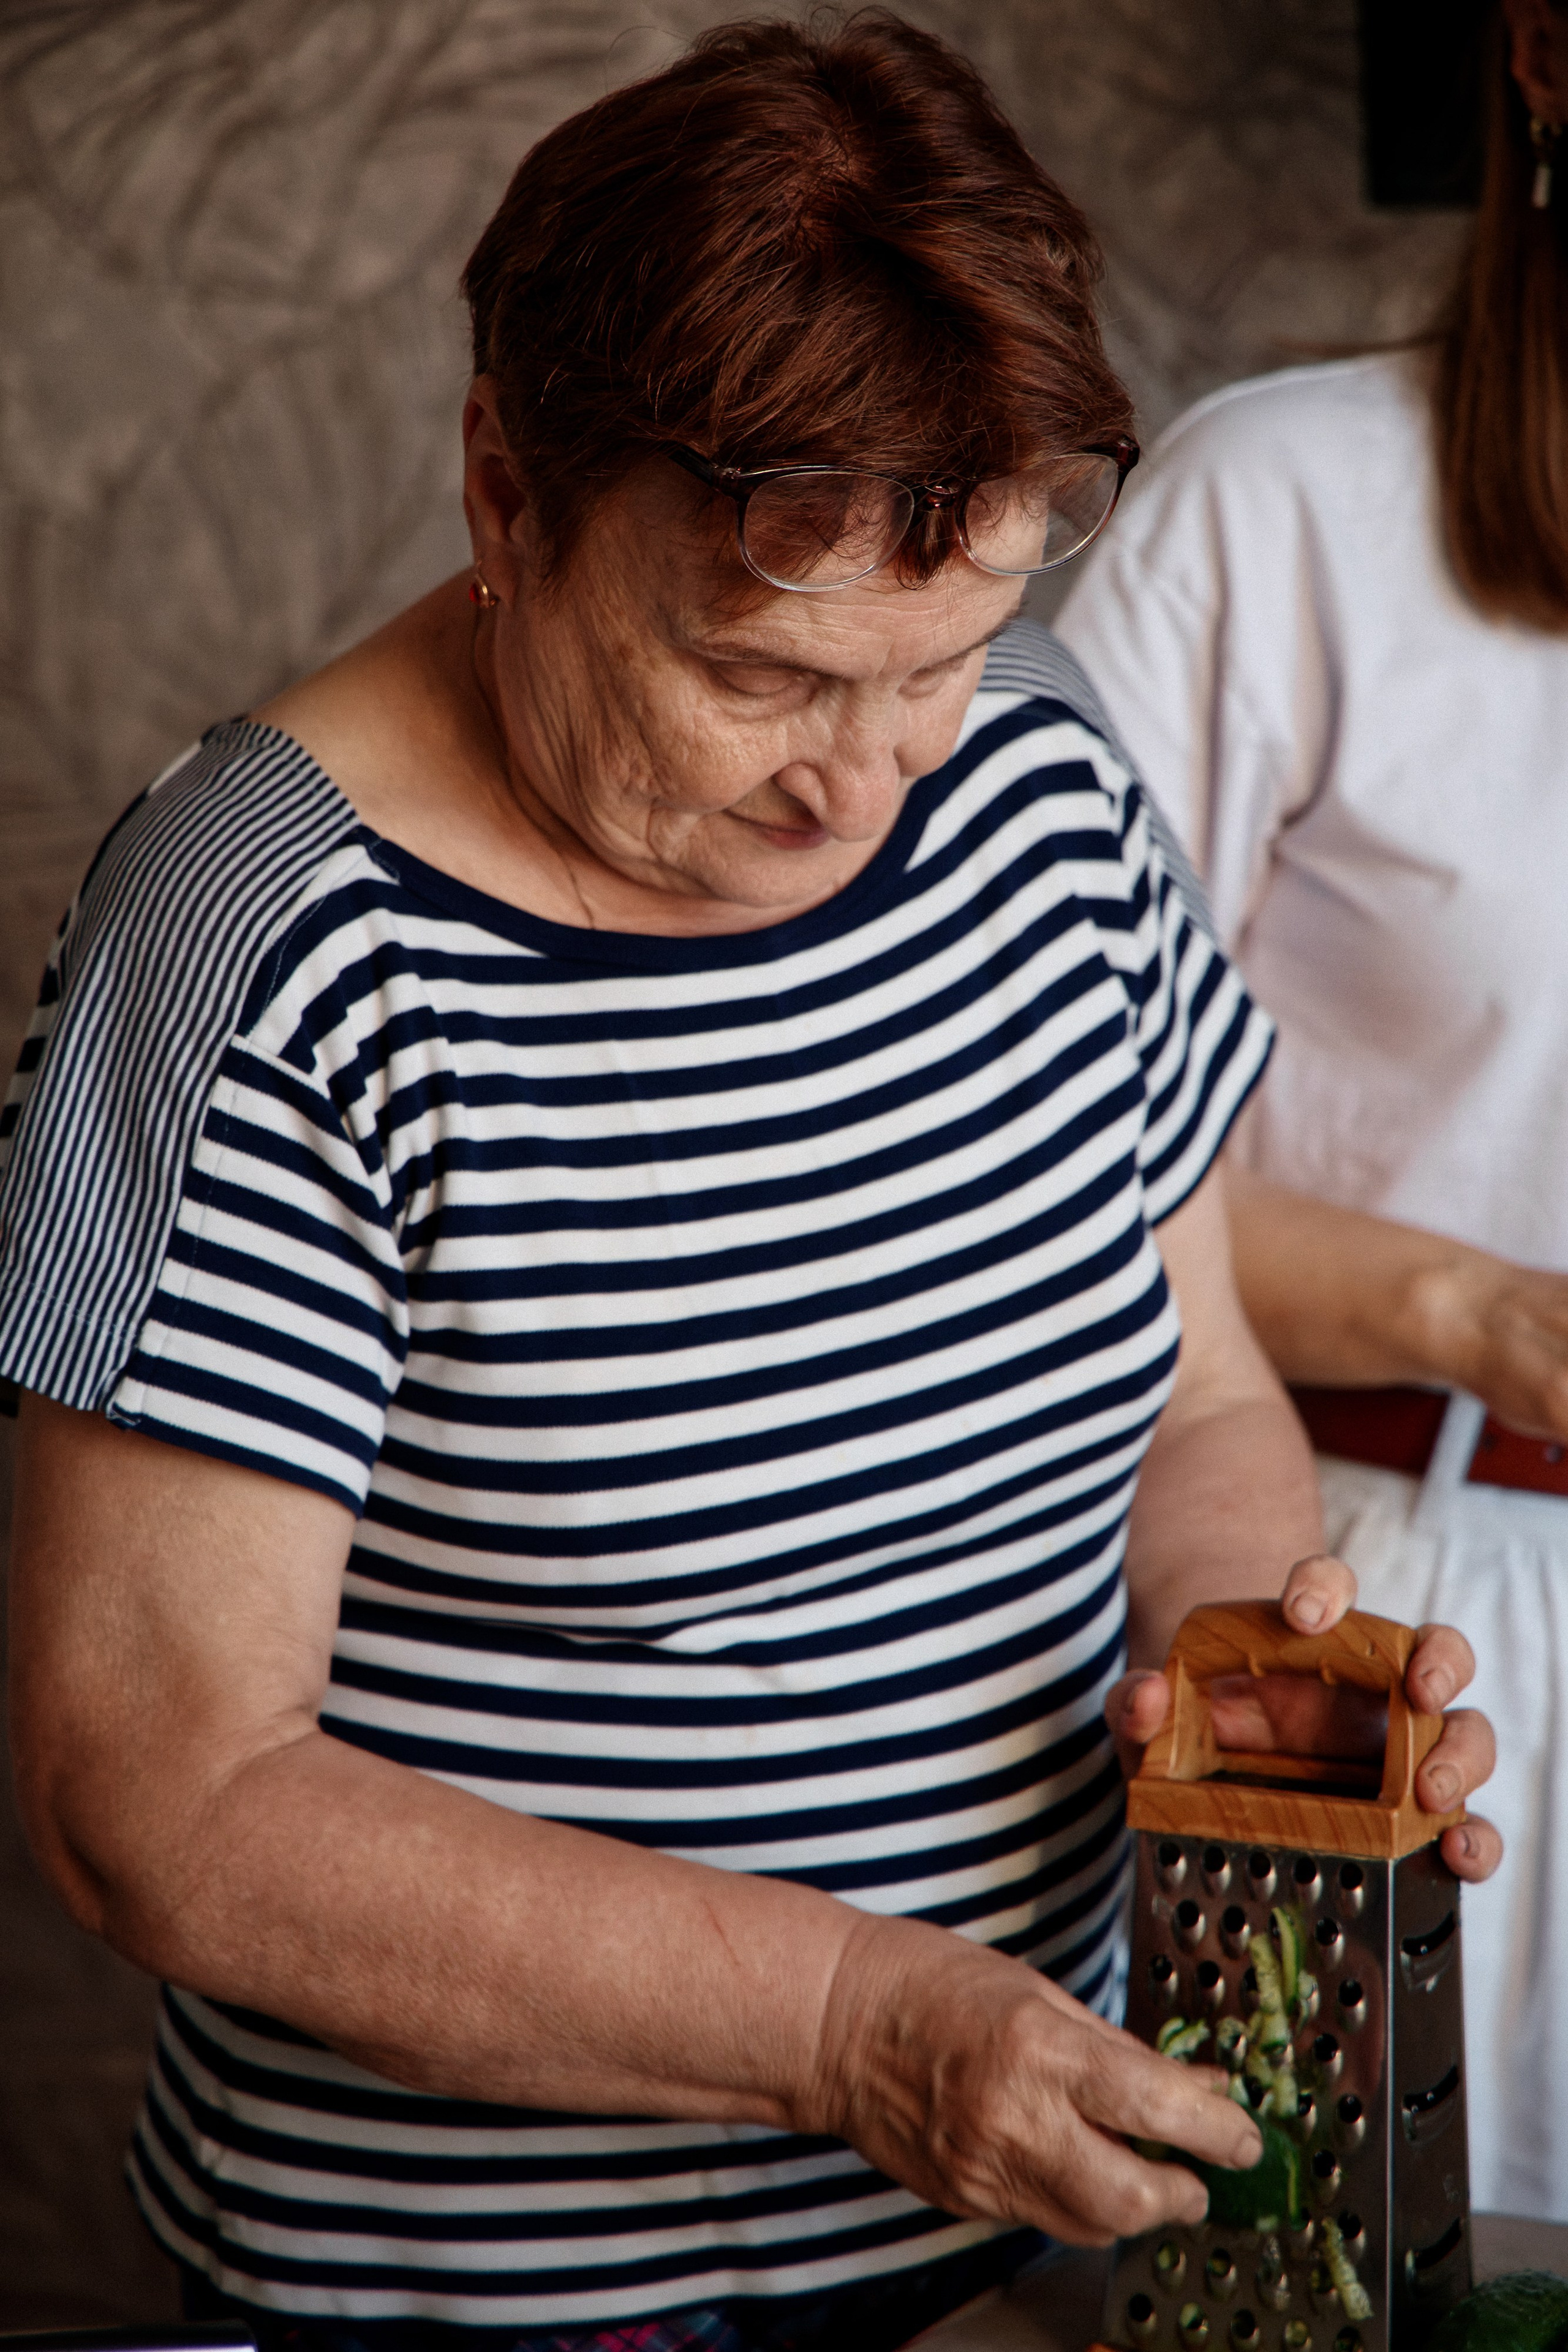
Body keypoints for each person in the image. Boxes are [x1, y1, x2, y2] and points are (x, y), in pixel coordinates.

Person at [1, 15, 1496, 2346]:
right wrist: (851, 2034)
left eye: (945, 661)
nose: (870, 788)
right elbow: (158, 1792)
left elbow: (1195, 1392)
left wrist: (1250, 1699)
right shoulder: (261, 939)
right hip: (479, 2301)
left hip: (1007, 2241)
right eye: (762, 677)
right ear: (509, 493)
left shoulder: (1043, 776)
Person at [1057, 0, 1566, 2225]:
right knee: (1354, 2258)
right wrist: (1483, 1312)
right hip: (1361, 1602)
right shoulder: (1282, 513)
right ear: (1537, 53)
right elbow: (1024, 1152)